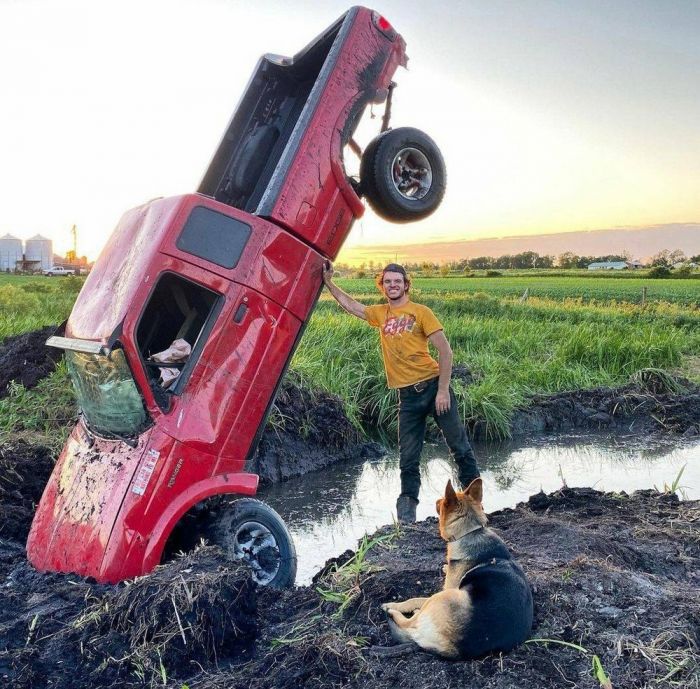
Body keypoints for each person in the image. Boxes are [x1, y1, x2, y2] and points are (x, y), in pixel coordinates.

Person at [323, 262, 480, 522]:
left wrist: (443, 391)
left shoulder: (421, 312)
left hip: (433, 388)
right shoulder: (380, 313)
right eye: (387, 282)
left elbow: (445, 351)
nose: (392, 285)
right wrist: (329, 283)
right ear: (382, 285)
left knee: (460, 448)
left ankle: (475, 508)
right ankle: (407, 522)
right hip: (407, 398)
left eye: (397, 281)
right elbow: (354, 307)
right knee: (408, 460)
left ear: (406, 284)